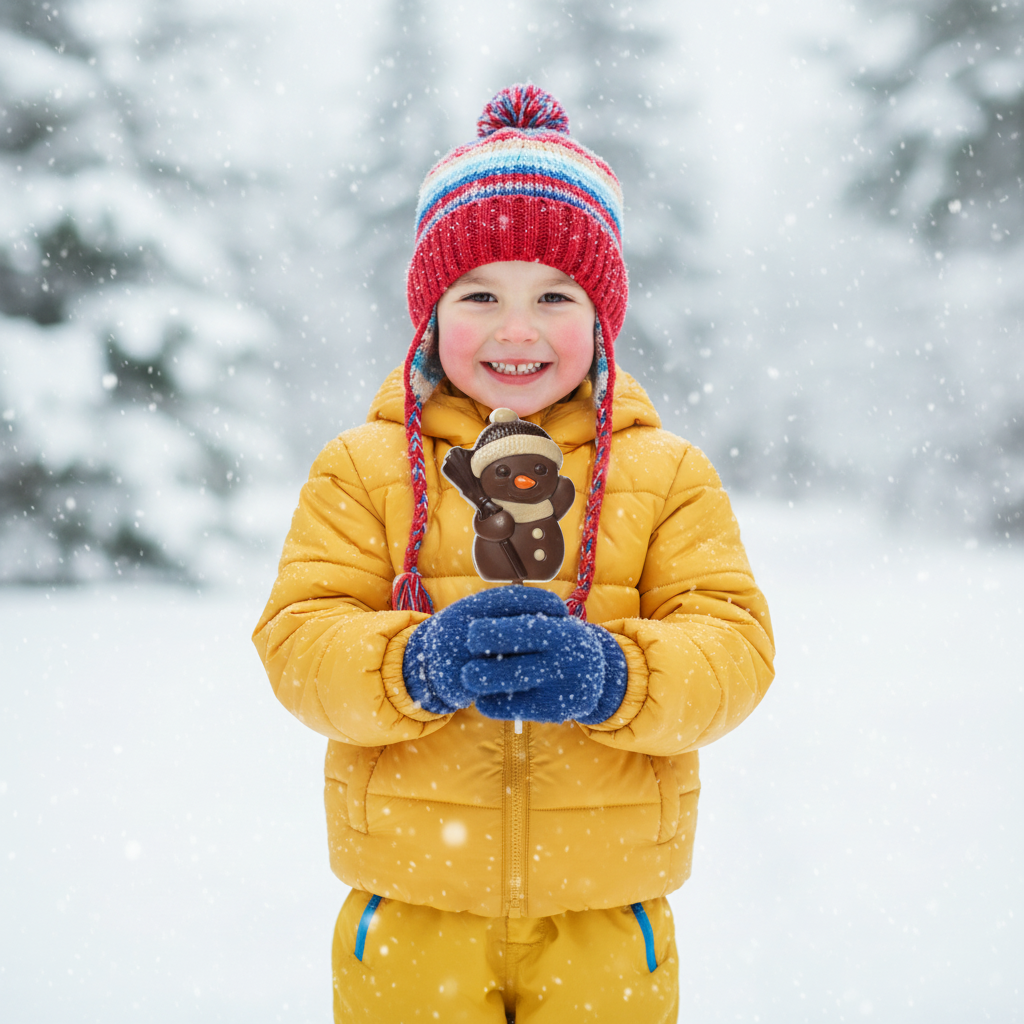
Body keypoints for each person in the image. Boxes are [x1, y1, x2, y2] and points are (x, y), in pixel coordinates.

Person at [253, 83, 775, 1023]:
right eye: (480, 292)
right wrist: (412, 662)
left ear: (602, 314)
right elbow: (298, 642)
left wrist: (618, 676)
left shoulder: (667, 474)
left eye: (556, 295)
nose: (518, 328)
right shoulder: (365, 469)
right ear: (430, 309)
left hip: (606, 916)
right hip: (412, 908)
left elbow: (735, 649)